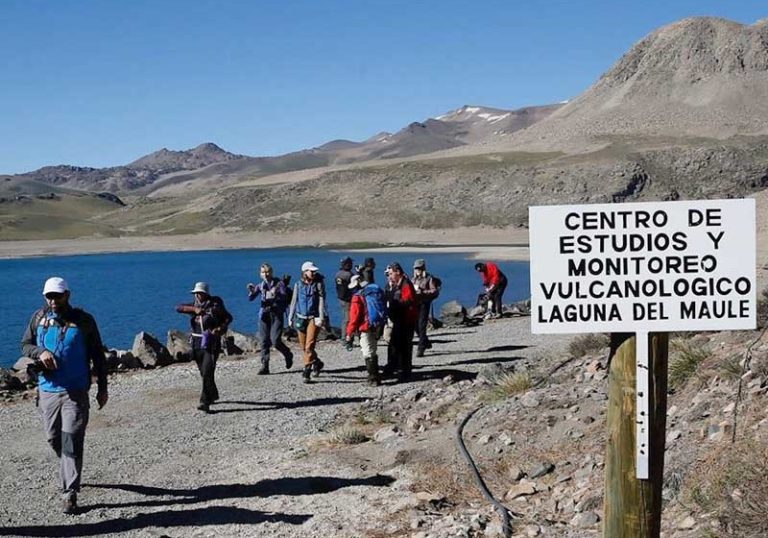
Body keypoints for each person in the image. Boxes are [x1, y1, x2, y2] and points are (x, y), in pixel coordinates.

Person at [21, 277, 108, 514]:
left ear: (67, 295)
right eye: (49, 296)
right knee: (53, 438)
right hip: (47, 390)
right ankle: (70, 464)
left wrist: (102, 387)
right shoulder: (38, 318)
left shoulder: (84, 321)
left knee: (71, 439)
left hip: (75, 392)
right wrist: (41, 352)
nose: (53, 300)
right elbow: (25, 345)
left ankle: (69, 492)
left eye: (57, 296)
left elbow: (98, 356)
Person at [176, 282, 232, 413]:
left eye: (200, 293)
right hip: (196, 343)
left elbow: (228, 317)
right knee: (204, 373)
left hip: (211, 343)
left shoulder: (216, 305)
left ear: (206, 294)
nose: (198, 296)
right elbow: (178, 307)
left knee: (207, 371)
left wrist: (220, 329)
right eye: (196, 293)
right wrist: (194, 310)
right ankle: (213, 394)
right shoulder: (194, 306)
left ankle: (204, 401)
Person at [247, 263, 293, 375]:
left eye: (267, 272)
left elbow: (283, 296)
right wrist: (251, 291)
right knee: (263, 341)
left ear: (271, 272)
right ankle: (265, 365)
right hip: (263, 315)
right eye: (263, 272)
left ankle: (287, 353)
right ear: (260, 274)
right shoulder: (260, 285)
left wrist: (275, 294)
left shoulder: (279, 284)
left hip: (276, 314)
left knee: (275, 340)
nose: (266, 274)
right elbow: (251, 298)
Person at [288, 261, 328, 383]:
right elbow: (294, 301)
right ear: (305, 271)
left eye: (314, 271)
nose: (314, 273)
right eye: (311, 271)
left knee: (309, 346)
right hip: (300, 318)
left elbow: (322, 301)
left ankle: (306, 371)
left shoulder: (318, 285)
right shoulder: (298, 285)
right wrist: (290, 317)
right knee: (303, 347)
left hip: (313, 318)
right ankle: (317, 362)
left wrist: (321, 317)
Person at [345, 274, 387, 386]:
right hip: (376, 325)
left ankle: (373, 377)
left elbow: (354, 318)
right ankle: (376, 375)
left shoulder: (357, 297)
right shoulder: (375, 291)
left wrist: (349, 333)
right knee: (373, 349)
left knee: (367, 351)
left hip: (365, 327)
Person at [384, 262, 418, 381]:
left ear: (398, 272)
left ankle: (405, 371)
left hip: (406, 320)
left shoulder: (405, 285)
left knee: (404, 347)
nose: (390, 276)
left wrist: (394, 304)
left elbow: (408, 300)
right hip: (400, 319)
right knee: (395, 344)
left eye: (392, 273)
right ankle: (393, 367)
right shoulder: (398, 284)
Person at [411, 259, 440, 357]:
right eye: (416, 268)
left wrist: (423, 292)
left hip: (424, 303)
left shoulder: (429, 278)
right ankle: (426, 342)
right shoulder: (413, 279)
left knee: (422, 326)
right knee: (415, 326)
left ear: (423, 268)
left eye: (419, 268)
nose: (417, 270)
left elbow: (434, 291)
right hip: (415, 304)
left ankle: (421, 348)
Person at [334, 257, 355, 344]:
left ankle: (347, 337)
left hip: (341, 298)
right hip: (348, 299)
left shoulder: (338, 274)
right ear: (347, 264)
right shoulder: (348, 275)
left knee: (345, 318)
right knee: (348, 319)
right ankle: (345, 338)